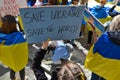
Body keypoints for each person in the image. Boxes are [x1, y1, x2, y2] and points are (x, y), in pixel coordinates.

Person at [85, 15, 120, 80]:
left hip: (99, 69)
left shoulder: (105, 36)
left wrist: (94, 32)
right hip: (114, 74)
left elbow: (95, 49)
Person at [0, 15, 28, 80]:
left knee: (12, 67)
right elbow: (24, 50)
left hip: (9, 62)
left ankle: (12, 78)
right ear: (15, 25)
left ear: (2, 24)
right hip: (20, 61)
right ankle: (22, 79)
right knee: (21, 69)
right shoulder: (20, 36)